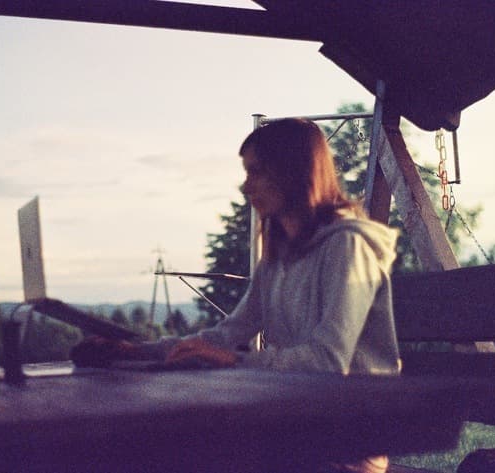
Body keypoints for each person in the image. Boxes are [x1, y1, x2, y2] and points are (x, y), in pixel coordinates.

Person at [71, 118, 401, 473]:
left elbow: (328, 362)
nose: (246, 187)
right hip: (299, 423)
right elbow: (225, 336)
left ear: (291, 171)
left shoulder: (347, 247)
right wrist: (134, 352)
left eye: (256, 171)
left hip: (347, 439)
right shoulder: (279, 256)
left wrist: (231, 361)